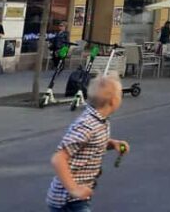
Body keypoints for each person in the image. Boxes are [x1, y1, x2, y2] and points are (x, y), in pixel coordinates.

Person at [46, 75, 129, 211]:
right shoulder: (87, 125)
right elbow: (58, 158)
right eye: (120, 94)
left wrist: (113, 144)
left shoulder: (100, 120)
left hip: (78, 197)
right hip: (67, 200)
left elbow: (91, 144)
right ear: (113, 101)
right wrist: (74, 189)